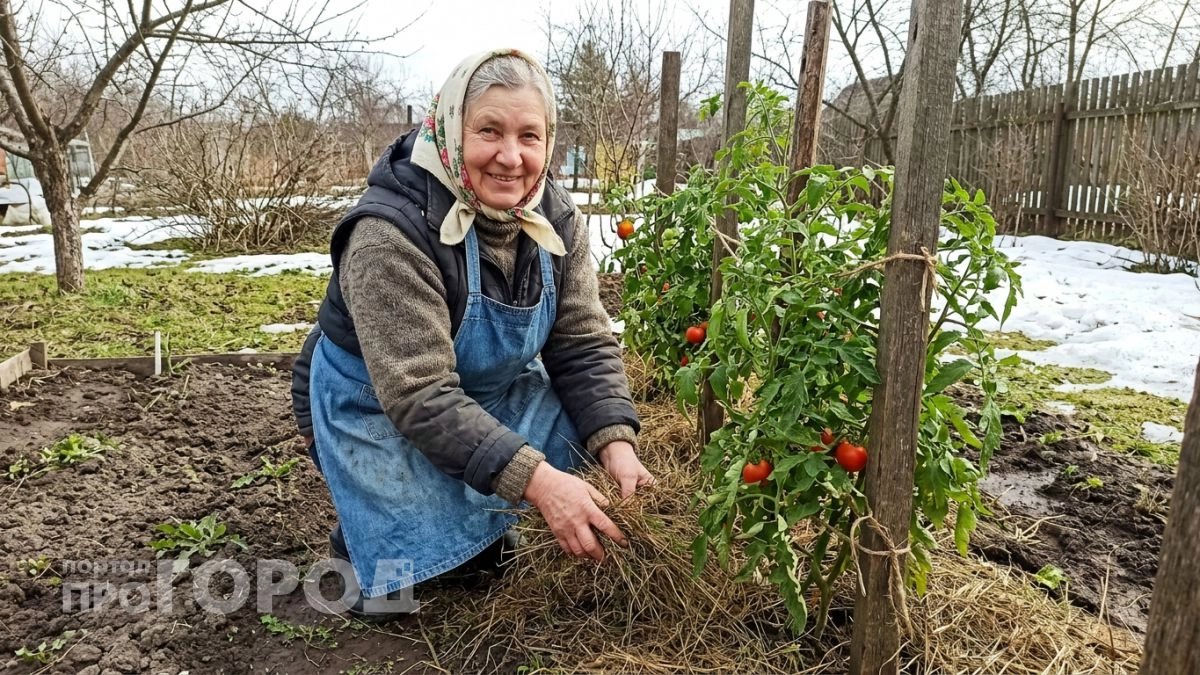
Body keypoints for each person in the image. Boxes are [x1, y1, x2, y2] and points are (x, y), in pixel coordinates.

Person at [290, 49, 654, 619]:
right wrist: (539, 484)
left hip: (494, 388)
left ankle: (481, 516)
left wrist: (617, 441)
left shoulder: (555, 219)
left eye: (529, 136)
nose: (511, 158)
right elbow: (419, 394)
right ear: (453, 129)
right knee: (411, 583)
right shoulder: (390, 234)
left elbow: (581, 340)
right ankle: (365, 536)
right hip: (382, 407)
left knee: (589, 456)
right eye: (490, 130)